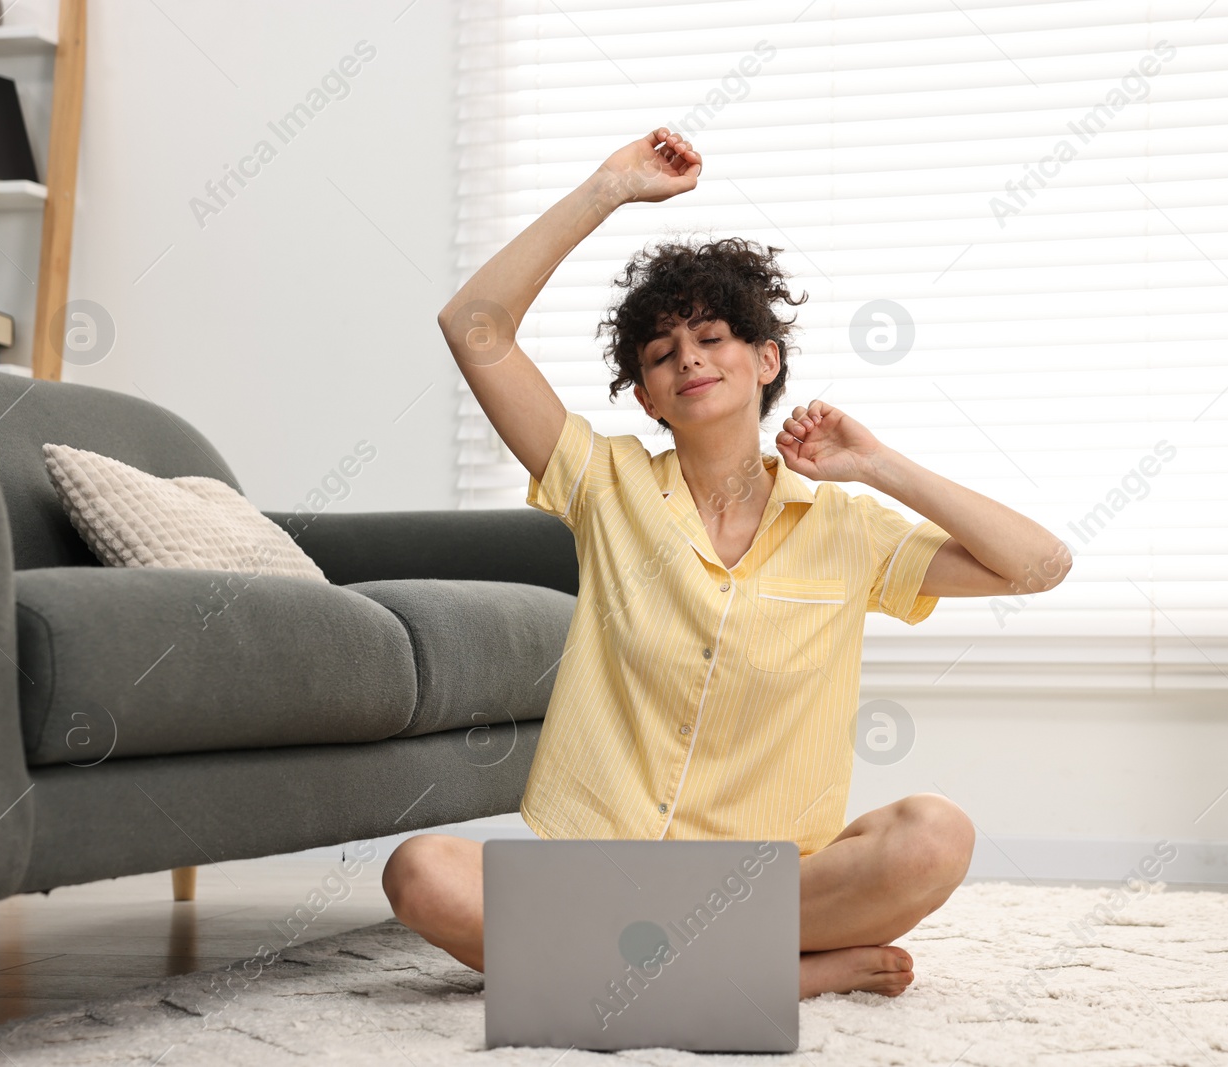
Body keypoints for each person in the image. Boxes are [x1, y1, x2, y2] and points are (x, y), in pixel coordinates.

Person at [383, 128, 1072, 999]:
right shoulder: (605, 483)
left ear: (766, 360)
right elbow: (471, 324)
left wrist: (880, 464)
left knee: (935, 835)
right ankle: (782, 975)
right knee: (421, 871)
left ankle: (647, 968)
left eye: (711, 337)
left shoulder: (849, 527)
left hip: (770, 879)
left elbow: (1038, 565)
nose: (690, 359)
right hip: (603, 878)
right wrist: (610, 187)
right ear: (646, 396)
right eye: (663, 354)